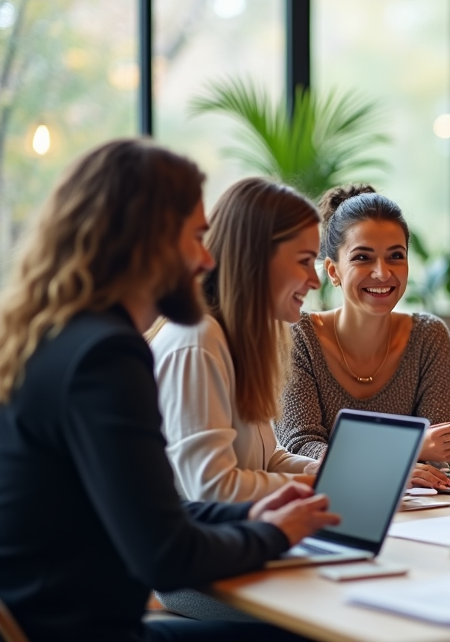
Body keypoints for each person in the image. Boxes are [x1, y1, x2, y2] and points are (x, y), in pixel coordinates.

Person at [0, 139, 338, 642]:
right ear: (147, 241)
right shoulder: (106, 357)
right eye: (197, 237)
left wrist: (250, 512)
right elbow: (165, 552)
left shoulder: (57, 337)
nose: (207, 260)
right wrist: (271, 533)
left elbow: (155, 507)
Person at [275, 184, 450, 490]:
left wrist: (411, 457)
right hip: (325, 507)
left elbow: (439, 454)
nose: (382, 273)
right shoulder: (298, 338)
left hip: (420, 507)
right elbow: (300, 446)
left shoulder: (429, 337)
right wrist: (404, 454)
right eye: (362, 257)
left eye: (395, 256)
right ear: (333, 271)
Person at [152, 178, 321, 503]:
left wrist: (326, 473)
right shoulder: (197, 341)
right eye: (303, 261)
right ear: (255, 258)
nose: (314, 280)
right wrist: (323, 488)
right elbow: (213, 487)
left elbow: (267, 460)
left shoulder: (236, 340)